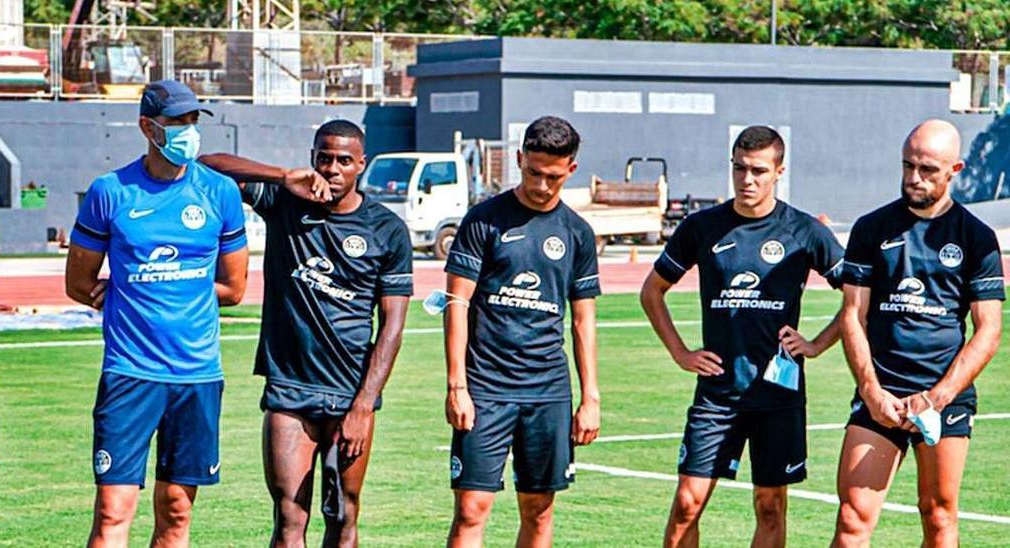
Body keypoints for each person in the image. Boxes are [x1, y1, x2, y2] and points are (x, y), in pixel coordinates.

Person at [201, 120, 413, 547]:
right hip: (290, 391)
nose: (333, 169)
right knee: (288, 518)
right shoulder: (285, 202)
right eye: (324, 158)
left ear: (361, 165)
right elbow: (207, 167)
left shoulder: (387, 229)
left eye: (344, 161)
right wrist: (282, 176)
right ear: (313, 157)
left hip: (350, 394)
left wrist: (363, 407)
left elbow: (392, 326)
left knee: (343, 515)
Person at [640, 126, 845, 548]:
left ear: (778, 172)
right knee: (686, 504)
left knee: (769, 504)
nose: (746, 180)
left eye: (757, 171)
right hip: (717, 393)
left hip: (777, 393)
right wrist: (680, 353)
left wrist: (817, 344)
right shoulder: (702, 227)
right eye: (738, 169)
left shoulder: (803, 230)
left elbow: (861, 296)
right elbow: (651, 291)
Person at [65, 80, 250, 548]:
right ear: (148, 128)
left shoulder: (221, 193)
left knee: (177, 510)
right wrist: (123, 292)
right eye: (177, 123)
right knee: (112, 512)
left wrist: (173, 285)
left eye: (193, 121)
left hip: (196, 374)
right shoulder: (110, 192)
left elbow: (233, 288)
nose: (189, 131)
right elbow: (78, 283)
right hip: (130, 373)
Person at [832, 119, 1003, 547]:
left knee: (939, 516)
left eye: (927, 169)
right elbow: (853, 314)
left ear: (955, 170)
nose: (914, 178)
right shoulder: (871, 229)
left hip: (943, 398)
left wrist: (935, 398)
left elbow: (988, 331)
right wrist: (871, 391)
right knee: (852, 519)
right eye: (907, 166)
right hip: (881, 394)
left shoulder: (976, 239)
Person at [443, 116, 601, 547]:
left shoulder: (578, 234)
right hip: (487, 387)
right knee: (471, 510)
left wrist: (590, 398)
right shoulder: (483, 221)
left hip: (548, 391)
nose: (543, 185)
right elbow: (456, 304)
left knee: (539, 511)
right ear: (519, 160)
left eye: (554, 176)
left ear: (570, 169)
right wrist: (457, 385)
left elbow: (583, 320)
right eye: (534, 172)